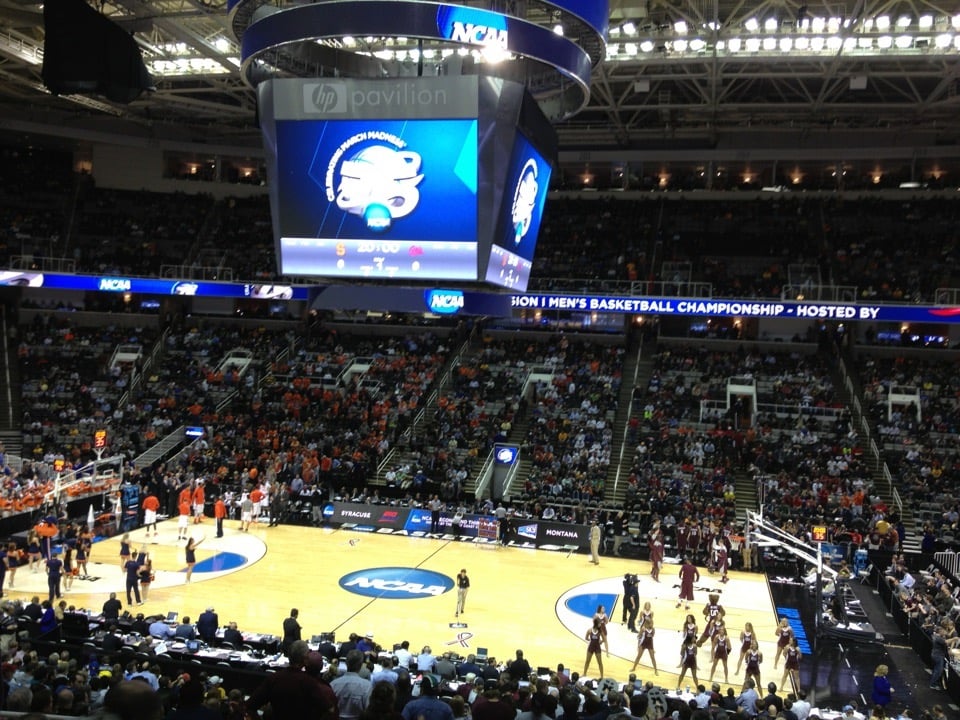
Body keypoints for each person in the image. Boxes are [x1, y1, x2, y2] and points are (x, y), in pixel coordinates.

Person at [247, 640, 336, 720]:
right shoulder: (309, 682)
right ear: (305, 659)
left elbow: (249, 707)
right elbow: (330, 710)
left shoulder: (274, 678)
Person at [331, 649, 373, 720]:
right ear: (361, 665)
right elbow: (368, 710)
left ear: (346, 663)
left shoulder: (333, 684)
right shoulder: (367, 686)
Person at [929, 625, 948, 689]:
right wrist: (954, 638)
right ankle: (932, 684)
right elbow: (946, 642)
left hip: (935, 654)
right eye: (943, 631)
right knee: (938, 671)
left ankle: (933, 681)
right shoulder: (938, 638)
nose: (944, 631)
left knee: (936, 669)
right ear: (940, 631)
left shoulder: (936, 636)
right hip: (938, 656)